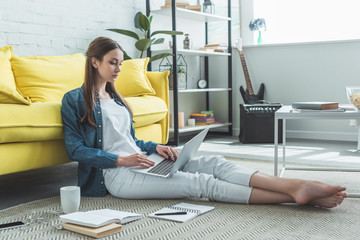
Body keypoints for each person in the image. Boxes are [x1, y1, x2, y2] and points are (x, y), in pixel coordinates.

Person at [61, 37, 347, 208]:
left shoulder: (118, 99)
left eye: (121, 63)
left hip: (145, 160)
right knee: (201, 184)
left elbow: (130, 141)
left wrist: (157, 146)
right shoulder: (74, 100)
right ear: (95, 62)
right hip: (117, 176)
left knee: (216, 163)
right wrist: (121, 161)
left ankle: (292, 185)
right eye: (113, 62)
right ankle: (295, 196)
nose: (118, 69)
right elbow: (76, 150)